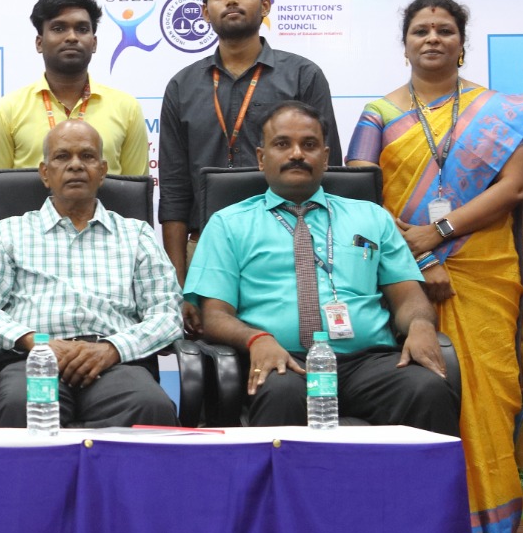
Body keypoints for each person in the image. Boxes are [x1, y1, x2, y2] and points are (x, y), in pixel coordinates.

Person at [348, 0, 523, 533]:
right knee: (426, 395)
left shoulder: (500, 113)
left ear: (462, 43)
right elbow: (360, 196)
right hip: (402, 277)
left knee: (489, 399)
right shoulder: (377, 114)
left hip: (485, 271)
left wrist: (438, 233)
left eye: (445, 30)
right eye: (421, 30)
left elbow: (514, 187)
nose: (433, 38)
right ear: (405, 43)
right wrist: (417, 258)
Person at [187, 101, 457, 436]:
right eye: (282, 144)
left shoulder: (370, 217)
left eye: (309, 144)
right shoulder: (229, 224)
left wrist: (419, 325)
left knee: (427, 389)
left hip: (368, 361)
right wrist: (256, 338)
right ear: (261, 157)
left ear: (326, 157)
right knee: (281, 392)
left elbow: (408, 298)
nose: (297, 154)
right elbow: (215, 316)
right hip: (283, 360)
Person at [0, 121, 181, 427]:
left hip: (114, 364)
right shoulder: (6, 233)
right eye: (62, 157)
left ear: (102, 170)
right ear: (45, 173)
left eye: (87, 156)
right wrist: (31, 340)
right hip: (34, 362)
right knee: (23, 405)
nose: (75, 165)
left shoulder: (136, 235)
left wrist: (112, 349)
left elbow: (168, 314)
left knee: (150, 406)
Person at [158, 0, 338, 337]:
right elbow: (174, 190)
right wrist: (179, 283)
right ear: (204, 12)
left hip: (290, 241)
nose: (231, 1)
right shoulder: (181, 86)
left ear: (266, 5)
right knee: (212, 359)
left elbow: (329, 170)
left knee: (293, 340)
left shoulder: (303, 76)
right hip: (206, 249)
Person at [0, 0, 148, 177]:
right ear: (39, 43)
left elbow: (135, 191)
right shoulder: (7, 111)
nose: (72, 37)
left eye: (82, 29)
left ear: (94, 43)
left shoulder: (126, 109)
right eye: (59, 28)